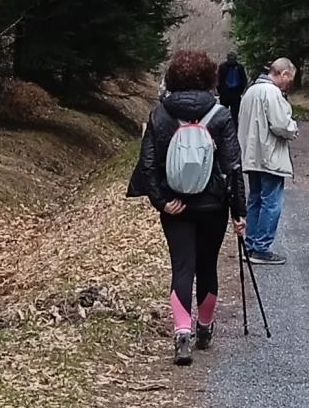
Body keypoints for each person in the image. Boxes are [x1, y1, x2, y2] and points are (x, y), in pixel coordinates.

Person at [128, 48, 246, 365]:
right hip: (213, 206)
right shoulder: (220, 115)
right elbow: (233, 166)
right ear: (210, 78)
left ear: (173, 78)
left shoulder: (160, 114)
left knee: (183, 267)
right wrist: (240, 213)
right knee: (207, 266)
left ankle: (182, 333)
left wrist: (162, 202)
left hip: (176, 206)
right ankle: (204, 328)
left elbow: (148, 165)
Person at [238, 56, 298, 264]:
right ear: (283, 74)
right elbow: (281, 124)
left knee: (254, 200)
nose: (288, 84)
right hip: (269, 157)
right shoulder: (272, 93)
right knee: (271, 203)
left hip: (252, 156)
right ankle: (262, 248)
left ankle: (250, 245)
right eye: (289, 80)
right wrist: (293, 128)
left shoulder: (251, 91)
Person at [217, 50, 248, 126]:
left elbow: (243, 80)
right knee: (223, 113)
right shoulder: (222, 67)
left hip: (235, 93)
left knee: (235, 115)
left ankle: (234, 128)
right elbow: (218, 79)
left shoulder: (239, 67)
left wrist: (240, 91)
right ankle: (223, 126)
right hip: (225, 93)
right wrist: (221, 91)